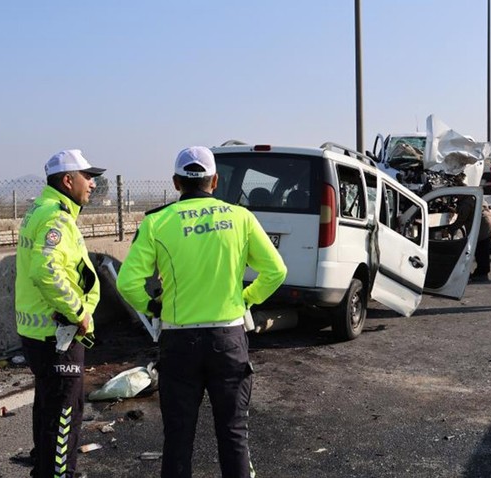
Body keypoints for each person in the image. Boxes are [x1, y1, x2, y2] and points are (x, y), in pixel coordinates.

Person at [116, 146, 287, 478]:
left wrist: (152, 306)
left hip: (179, 342)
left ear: (177, 182)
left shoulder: (157, 222)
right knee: (234, 435)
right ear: (215, 181)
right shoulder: (240, 218)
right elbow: (276, 271)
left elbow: (127, 283)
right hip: (229, 338)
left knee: (178, 437)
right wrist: (246, 299)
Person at [15, 149, 105, 478]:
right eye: (87, 177)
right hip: (57, 334)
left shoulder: (41, 208)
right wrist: (79, 312)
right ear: (68, 180)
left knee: (48, 407)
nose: (93, 184)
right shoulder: (56, 217)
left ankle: (44, 470)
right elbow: (45, 271)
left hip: (39, 332)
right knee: (65, 414)